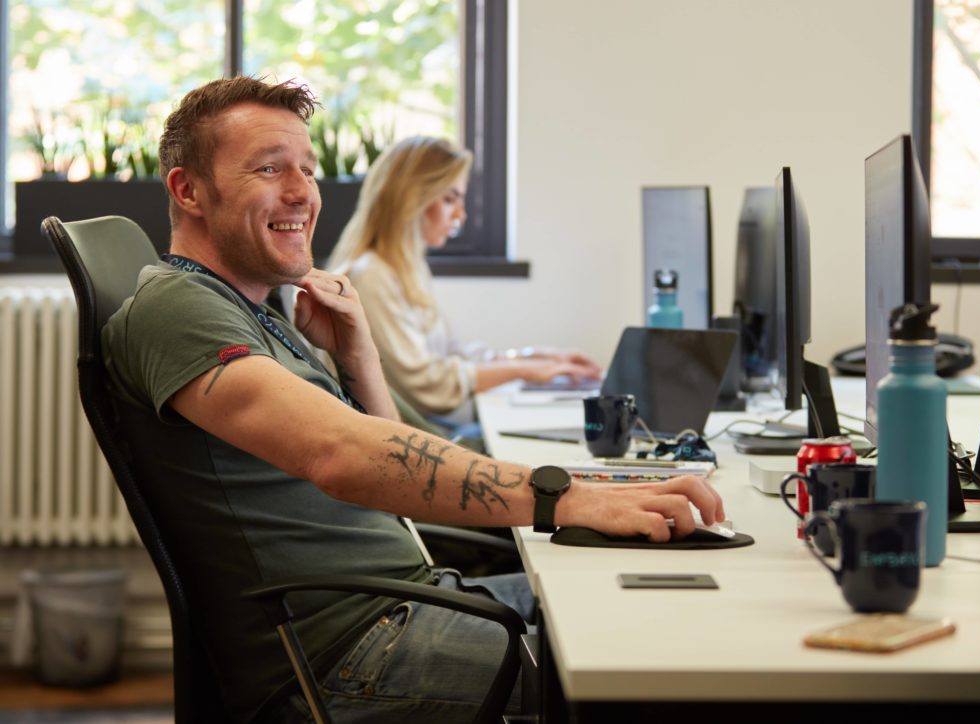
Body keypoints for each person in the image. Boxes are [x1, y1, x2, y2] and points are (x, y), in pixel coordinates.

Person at [102, 76, 725, 723]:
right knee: (668, 679)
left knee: (676, 612)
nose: (302, 193)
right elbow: (342, 455)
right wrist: (567, 495)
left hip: (408, 603)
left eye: (308, 171)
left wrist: (357, 352)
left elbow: (383, 447)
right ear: (188, 190)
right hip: (355, 650)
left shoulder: (254, 308)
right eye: (268, 169)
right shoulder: (177, 309)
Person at [325, 136, 602, 418]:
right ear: (411, 198)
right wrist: (523, 370)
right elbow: (428, 387)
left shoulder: (406, 269)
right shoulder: (371, 276)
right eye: (449, 199)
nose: (461, 215)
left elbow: (449, 355)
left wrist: (533, 357)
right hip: (412, 437)